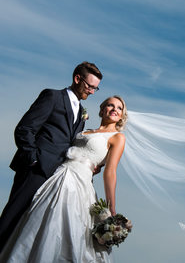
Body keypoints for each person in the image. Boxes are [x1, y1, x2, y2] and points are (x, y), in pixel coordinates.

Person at [0, 96, 127, 263]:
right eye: (110, 105)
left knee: (69, 225)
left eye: (119, 108)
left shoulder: (117, 137)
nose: (114, 109)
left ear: (121, 115)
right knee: (37, 217)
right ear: (102, 109)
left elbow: (110, 172)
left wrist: (111, 207)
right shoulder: (84, 129)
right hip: (58, 174)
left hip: (79, 182)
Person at [0, 61, 102, 253]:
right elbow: (25, 128)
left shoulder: (81, 113)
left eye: (96, 88)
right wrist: (33, 159)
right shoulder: (53, 96)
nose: (92, 92)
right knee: (13, 217)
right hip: (36, 170)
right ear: (77, 79)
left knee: (28, 226)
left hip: (58, 177)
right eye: (90, 86)